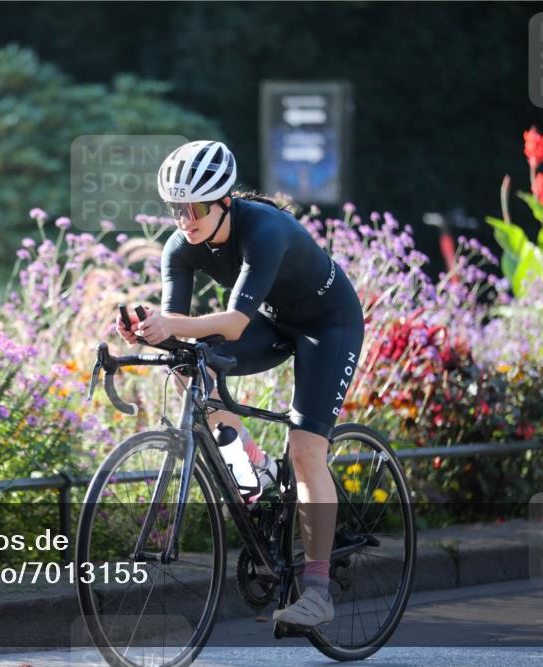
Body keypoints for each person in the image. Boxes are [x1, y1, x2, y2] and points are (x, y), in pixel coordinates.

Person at [115, 140, 365, 629]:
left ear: (225, 200)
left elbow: (230, 325)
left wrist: (171, 324)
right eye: (176, 209)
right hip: (270, 323)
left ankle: (317, 591)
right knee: (193, 364)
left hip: (327, 324)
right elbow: (180, 327)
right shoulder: (179, 248)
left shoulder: (265, 229)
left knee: (306, 449)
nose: (186, 218)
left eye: (197, 207)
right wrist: (147, 327)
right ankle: (252, 468)